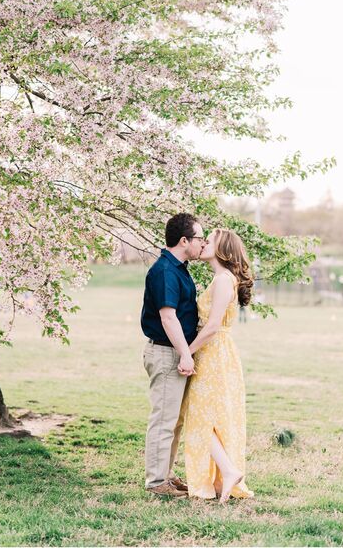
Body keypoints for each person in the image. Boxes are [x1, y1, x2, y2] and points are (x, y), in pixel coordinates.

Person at [183, 228, 255, 503]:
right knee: (203, 414)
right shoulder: (220, 279)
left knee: (203, 414)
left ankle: (227, 471)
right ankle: (226, 471)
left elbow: (212, 326)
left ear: (222, 248)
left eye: (208, 241)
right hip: (214, 352)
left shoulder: (224, 280)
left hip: (214, 353)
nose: (202, 244)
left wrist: (187, 352)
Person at [140, 213, 205, 497]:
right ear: (184, 241)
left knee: (174, 421)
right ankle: (156, 482)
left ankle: (165, 473)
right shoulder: (165, 271)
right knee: (164, 420)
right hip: (167, 352)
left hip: (174, 351)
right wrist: (185, 354)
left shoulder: (180, 267)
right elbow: (168, 318)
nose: (203, 243)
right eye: (200, 238)